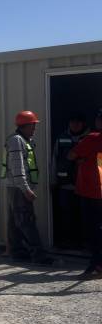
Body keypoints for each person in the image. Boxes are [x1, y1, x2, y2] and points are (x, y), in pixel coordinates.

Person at [2, 110, 52, 264]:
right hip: (19, 188)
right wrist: (26, 189)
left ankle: (18, 252)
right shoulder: (17, 141)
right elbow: (18, 168)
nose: (34, 128)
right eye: (33, 125)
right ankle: (38, 255)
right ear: (24, 125)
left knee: (15, 221)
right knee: (26, 220)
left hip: (16, 187)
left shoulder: (23, 140)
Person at [68, 109, 102, 280]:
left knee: (94, 230)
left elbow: (71, 155)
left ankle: (97, 266)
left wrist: (82, 159)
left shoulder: (92, 138)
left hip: (92, 191)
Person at [51, 112, 89, 246]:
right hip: (65, 186)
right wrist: (53, 181)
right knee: (66, 216)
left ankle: (84, 242)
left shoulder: (91, 139)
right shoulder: (61, 138)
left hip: (86, 187)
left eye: (78, 122)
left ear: (83, 123)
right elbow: (54, 160)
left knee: (85, 217)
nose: (75, 124)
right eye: (72, 121)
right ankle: (68, 241)